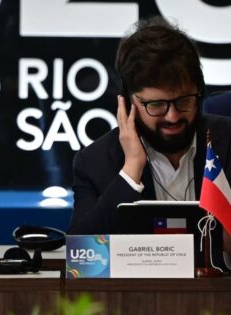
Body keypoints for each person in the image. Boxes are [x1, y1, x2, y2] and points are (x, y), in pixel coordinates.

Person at [68, 17, 231, 269]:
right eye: (156, 104)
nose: (173, 116)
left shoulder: (227, 140)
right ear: (129, 103)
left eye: (184, 101)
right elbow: (83, 260)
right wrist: (131, 169)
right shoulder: (95, 162)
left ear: (200, 92)